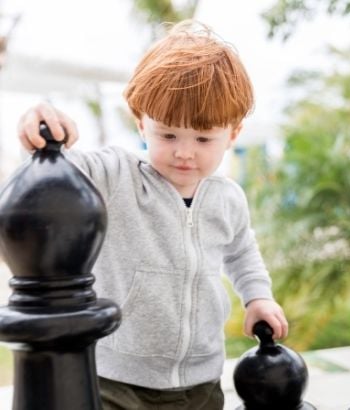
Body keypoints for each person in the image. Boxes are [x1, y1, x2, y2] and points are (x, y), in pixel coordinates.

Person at [17, 20, 288, 410]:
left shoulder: (228, 198)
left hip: (201, 379)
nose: (184, 152)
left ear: (233, 134)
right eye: (168, 135)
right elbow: (60, 170)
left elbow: (242, 253)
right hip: (117, 379)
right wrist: (43, 129)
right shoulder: (115, 175)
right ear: (142, 123)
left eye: (203, 138)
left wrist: (258, 298)